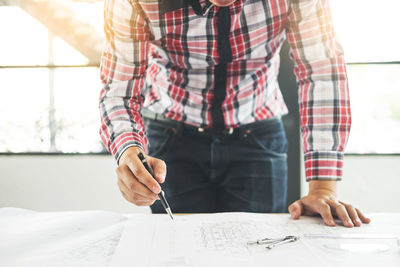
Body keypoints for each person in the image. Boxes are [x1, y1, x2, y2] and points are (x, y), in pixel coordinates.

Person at [99, 0, 370, 227]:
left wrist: (323, 188)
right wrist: (128, 151)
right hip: (171, 134)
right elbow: (119, 89)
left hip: (258, 133)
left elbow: (320, 72)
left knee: (260, 251)